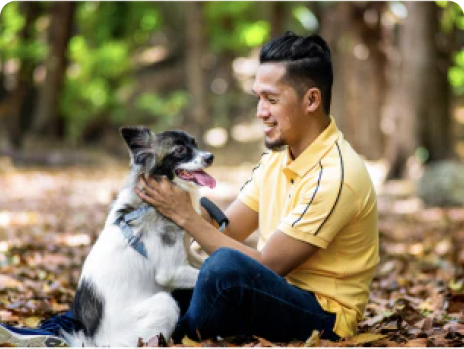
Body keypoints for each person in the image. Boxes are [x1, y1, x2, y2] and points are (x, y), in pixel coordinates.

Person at [0, 31, 379, 347]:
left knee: (224, 268)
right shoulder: (279, 159)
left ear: (312, 99)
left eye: (271, 99)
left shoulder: (336, 174)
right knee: (145, 273)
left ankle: (155, 335)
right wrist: (156, 217)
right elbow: (225, 229)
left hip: (321, 317)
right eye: (258, 98)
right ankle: (61, 334)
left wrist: (184, 217)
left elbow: (266, 266)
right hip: (267, 290)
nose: (260, 112)